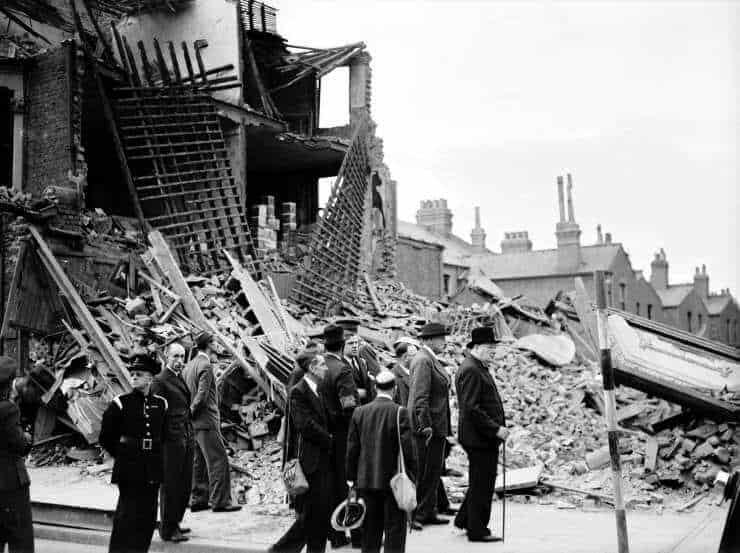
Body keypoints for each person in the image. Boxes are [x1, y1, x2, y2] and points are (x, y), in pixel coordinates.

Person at [99, 354, 167, 553]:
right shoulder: (120, 403)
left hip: (152, 468)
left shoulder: (161, 404)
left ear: (150, 378)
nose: (134, 377)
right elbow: (106, 437)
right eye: (133, 374)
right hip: (129, 468)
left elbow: (164, 436)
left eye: (140, 374)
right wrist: (124, 455)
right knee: (127, 516)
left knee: (147, 517)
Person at [346, 370, 416, 553]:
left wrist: (351, 478)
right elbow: (409, 450)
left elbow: (352, 449)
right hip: (394, 481)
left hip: (366, 481)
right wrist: (413, 475)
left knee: (370, 530)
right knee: (394, 529)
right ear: (394, 389)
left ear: (375, 388)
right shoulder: (400, 412)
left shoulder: (359, 412)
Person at [270, 355, 334, 553]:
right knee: (311, 515)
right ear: (312, 368)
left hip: (322, 460)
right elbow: (305, 425)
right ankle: (280, 550)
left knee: (319, 514)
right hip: (309, 462)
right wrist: (329, 439)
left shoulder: (319, 390)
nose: (326, 368)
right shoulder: (299, 392)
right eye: (322, 364)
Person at [453, 327, 508, 542]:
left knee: (480, 480)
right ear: (476, 347)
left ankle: (464, 519)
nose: (493, 351)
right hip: (479, 438)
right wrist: (496, 429)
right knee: (483, 483)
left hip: (480, 437)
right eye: (489, 347)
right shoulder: (471, 370)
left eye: (494, 347)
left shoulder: (477, 367)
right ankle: (477, 530)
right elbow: (471, 408)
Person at [183, 331, 241, 513]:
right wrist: (191, 412)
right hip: (206, 420)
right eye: (215, 342)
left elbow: (186, 393)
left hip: (194, 423)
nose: (217, 345)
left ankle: (198, 500)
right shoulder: (206, 365)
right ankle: (221, 502)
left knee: (199, 461)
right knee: (218, 460)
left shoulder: (189, 365)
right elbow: (202, 394)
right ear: (209, 344)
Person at [406, 322, 451, 530]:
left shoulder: (430, 359)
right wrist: (425, 426)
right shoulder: (423, 360)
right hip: (428, 428)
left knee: (432, 472)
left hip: (437, 425)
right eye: (441, 338)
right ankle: (416, 514)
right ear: (430, 340)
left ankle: (428, 511)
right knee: (423, 472)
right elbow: (419, 397)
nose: (445, 341)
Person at [321, 324, 360, 549]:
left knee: (332, 485)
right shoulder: (342, 370)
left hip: (324, 434)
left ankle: (334, 534)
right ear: (343, 345)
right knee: (349, 484)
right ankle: (355, 533)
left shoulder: (318, 366)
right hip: (343, 434)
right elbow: (349, 406)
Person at [151, 343, 193, 543]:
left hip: (184, 436)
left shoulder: (178, 378)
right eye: (175, 356)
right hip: (170, 441)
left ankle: (175, 521)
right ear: (166, 357)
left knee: (184, 482)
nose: (179, 361)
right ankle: (167, 528)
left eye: (182, 357)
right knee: (170, 484)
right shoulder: (159, 381)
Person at [0, 356, 34, 553]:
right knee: (20, 539)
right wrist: (27, 436)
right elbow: (21, 445)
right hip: (11, 484)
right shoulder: (8, 409)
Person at [344, 335, 374, 405]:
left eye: (356, 343)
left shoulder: (362, 362)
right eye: (350, 343)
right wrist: (358, 394)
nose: (354, 346)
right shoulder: (340, 365)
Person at [390, 338, 418, 408]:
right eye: (415, 356)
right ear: (405, 357)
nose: (418, 359)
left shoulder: (415, 373)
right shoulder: (393, 377)